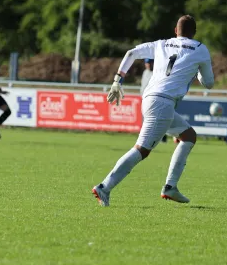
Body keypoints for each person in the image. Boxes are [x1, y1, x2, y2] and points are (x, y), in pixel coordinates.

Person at [92, 15, 214, 206]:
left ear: (175, 30)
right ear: (194, 33)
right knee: (141, 150)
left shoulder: (162, 44)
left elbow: (131, 53)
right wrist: (198, 70)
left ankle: (171, 187)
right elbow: (209, 83)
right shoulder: (200, 49)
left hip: (150, 99)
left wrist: (117, 81)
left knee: (189, 136)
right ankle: (104, 187)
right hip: (163, 103)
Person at [140, 58, 167, 143]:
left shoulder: (157, 72)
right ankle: (146, 139)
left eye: (149, 63)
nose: (148, 65)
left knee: (157, 119)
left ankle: (162, 137)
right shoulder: (145, 72)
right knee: (145, 120)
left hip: (154, 99)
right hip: (144, 99)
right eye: (146, 63)